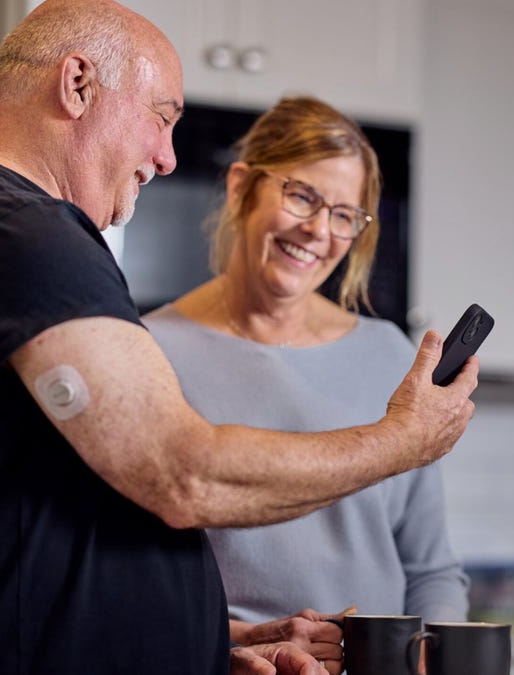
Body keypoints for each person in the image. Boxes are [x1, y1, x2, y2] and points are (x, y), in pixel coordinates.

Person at [0, 2, 478, 674]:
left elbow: (61, 531)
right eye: (162, 117)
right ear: (77, 84)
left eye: (344, 214)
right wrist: (401, 440)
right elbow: (183, 471)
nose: (167, 158)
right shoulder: (17, 232)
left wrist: (207, 638)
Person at [142, 97, 469, 673]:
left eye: (345, 215)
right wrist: (232, 646)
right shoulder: (147, 350)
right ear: (242, 186)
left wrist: (431, 658)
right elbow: (129, 585)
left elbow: (431, 570)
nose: (319, 230)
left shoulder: (391, 354)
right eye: (302, 196)